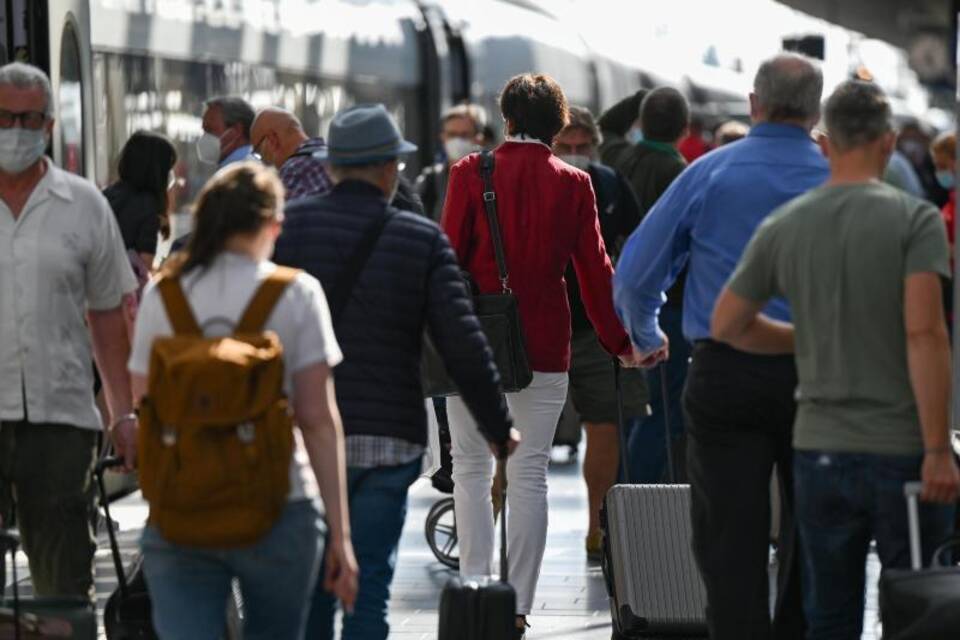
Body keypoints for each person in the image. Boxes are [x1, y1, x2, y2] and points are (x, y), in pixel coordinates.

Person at [712, 80, 960, 640]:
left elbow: (728, 324)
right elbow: (924, 334)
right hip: (901, 452)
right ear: (888, 142)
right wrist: (938, 449)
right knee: (916, 609)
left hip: (818, 449)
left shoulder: (787, 224)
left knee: (828, 617)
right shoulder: (914, 220)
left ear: (826, 144)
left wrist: (805, 339)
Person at [272, 103, 518, 640]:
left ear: (334, 166)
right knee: (370, 578)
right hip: (388, 439)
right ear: (388, 170)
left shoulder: (288, 230)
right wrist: (497, 425)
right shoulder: (419, 239)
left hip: (304, 437)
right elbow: (462, 342)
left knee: (313, 579)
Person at [614, 52, 829, 639]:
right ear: (814, 111)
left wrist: (646, 333)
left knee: (728, 532)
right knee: (815, 525)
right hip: (824, 377)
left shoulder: (710, 172)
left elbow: (635, 273)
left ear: (754, 105)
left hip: (726, 374)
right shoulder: (838, 179)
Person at [442, 74, 638, 639]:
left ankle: (474, 595)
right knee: (529, 475)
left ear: (505, 119)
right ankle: (518, 606)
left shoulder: (467, 174)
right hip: (546, 346)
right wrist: (620, 343)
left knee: (471, 472)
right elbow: (596, 273)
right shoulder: (575, 184)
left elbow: (447, 259)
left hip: (472, 344)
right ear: (558, 126)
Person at [130, 162, 359, 639]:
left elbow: (145, 404)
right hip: (280, 506)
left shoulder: (162, 295)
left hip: (180, 514)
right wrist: (340, 536)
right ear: (273, 224)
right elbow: (318, 421)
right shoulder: (297, 293)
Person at [0, 62, 138, 599]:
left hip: (61, 421)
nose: (14, 130)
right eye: (3, 117)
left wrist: (123, 412)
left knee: (64, 582)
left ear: (50, 126)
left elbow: (107, 316)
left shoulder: (85, 205)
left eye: (27, 119)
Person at [551, 105, 648, 559]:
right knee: (519, 434)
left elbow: (636, 242)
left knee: (603, 426)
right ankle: (492, 518)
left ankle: (598, 527)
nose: (575, 154)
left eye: (582, 146)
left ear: (595, 144)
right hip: (542, 322)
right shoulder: (539, 183)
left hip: (593, 326)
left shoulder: (609, 183)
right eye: (565, 146)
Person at [600, 87, 691, 484]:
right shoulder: (681, 174)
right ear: (685, 129)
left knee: (631, 408)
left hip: (619, 300)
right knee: (662, 411)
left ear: (641, 122)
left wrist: (641, 95)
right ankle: (639, 499)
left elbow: (607, 124)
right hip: (667, 307)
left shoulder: (620, 156)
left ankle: (618, 500)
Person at [103, 130, 178, 270]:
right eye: (168, 169)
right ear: (157, 171)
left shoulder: (106, 194)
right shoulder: (149, 207)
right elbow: (144, 266)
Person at [415, 103, 486, 221]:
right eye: (452, 134)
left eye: (464, 135)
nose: (457, 141)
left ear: (478, 138)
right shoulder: (429, 181)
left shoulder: (493, 178)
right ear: (443, 137)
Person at [250, 107, 332, 201]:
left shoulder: (293, 171)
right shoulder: (337, 158)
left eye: (259, 153)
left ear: (273, 140)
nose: (263, 163)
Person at [196, 95, 256, 168]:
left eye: (210, 130)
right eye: (204, 131)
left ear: (237, 130)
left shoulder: (239, 172)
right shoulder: (258, 165)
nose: (204, 138)